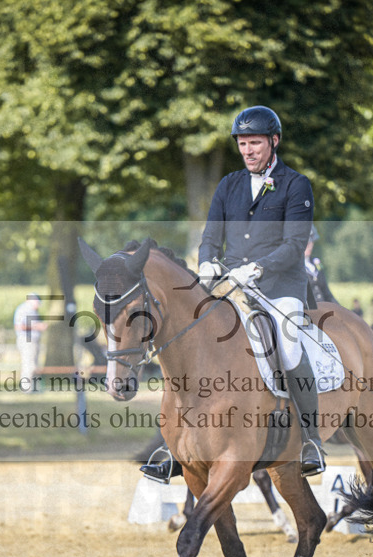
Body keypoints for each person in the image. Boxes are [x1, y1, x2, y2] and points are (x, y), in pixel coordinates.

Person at [144, 104, 325, 481]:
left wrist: (258, 268)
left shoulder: (296, 184)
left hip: (279, 288)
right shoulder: (229, 184)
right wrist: (208, 261)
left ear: (273, 142)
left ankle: (310, 440)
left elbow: (294, 244)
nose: (248, 150)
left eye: (255, 143)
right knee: (190, 342)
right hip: (229, 284)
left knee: (289, 347)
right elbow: (212, 235)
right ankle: (174, 444)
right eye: (242, 143)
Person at [14, 293, 47, 393]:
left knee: (34, 365)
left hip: (32, 341)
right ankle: (27, 388)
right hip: (27, 340)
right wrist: (37, 327)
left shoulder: (32, 310)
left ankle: (34, 388)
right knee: (29, 365)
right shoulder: (24, 310)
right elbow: (19, 326)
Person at [304, 225, 339, 306]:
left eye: (310, 243)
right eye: (305, 243)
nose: (308, 246)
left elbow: (327, 293)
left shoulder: (316, 264)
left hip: (323, 310)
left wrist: (343, 312)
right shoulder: (294, 267)